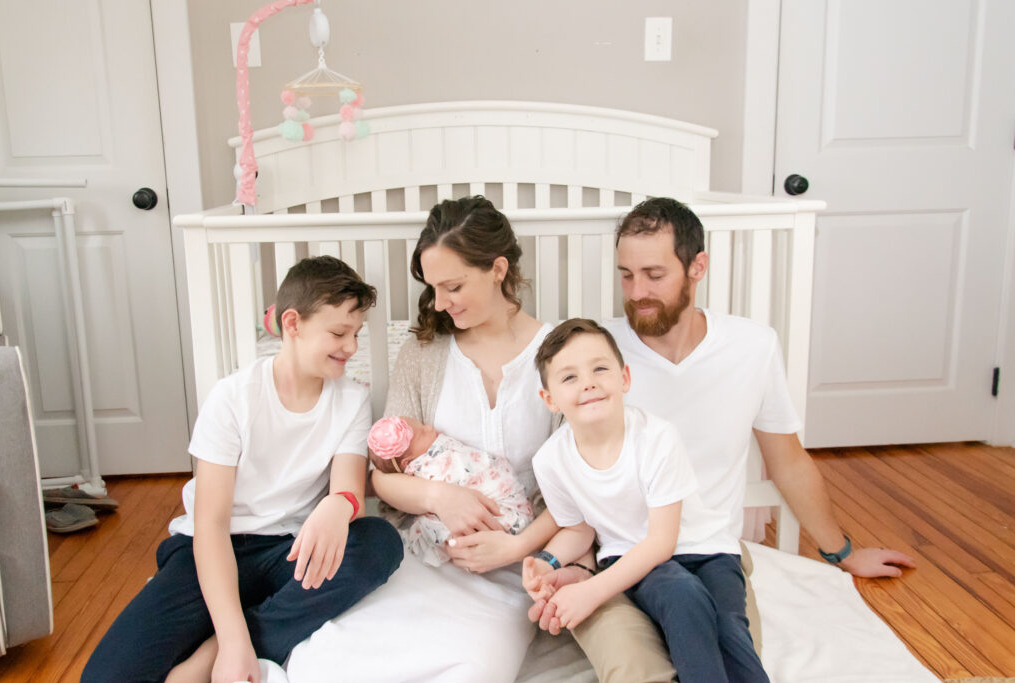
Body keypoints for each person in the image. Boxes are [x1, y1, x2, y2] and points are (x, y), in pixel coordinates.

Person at [526, 197, 917, 682]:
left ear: (697, 267)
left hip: (710, 551)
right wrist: (559, 564)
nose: (637, 291)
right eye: (626, 275)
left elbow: (788, 462)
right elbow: (583, 486)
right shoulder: (595, 355)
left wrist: (841, 552)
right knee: (639, 673)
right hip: (614, 559)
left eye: (654, 274)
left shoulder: (752, 346)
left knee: (728, 655)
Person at [285, 196, 570, 683]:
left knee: (469, 670)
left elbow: (579, 490)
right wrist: (442, 497)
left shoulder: (561, 351)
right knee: (329, 661)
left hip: (513, 569)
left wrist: (516, 548)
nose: (440, 303)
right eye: (433, 288)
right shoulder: (423, 354)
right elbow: (383, 478)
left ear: (498, 268)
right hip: (425, 551)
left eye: (453, 285)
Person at [81, 256, 403, 683]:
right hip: (216, 546)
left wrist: (340, 505)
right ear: (293, 323)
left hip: (292, 548)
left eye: (356, 334)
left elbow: (346, 489)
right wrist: (235, 643)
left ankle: (210, 655)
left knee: (379, 542)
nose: (351, 348)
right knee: (105, 678)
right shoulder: (232, 398)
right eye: (339, 333)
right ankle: (237, 635)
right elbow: (210, 525)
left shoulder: (351, 400)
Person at [526, 318, 767, 682]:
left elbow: (662, 541)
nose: (588, 382)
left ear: (624, 378)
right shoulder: (550, 461)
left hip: (707, 548)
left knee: (730, 628)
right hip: (628, 555)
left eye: (600, 369)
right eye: (569, 377)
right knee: (681, 594)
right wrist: (547, 561)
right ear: (549, 399)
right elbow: (578, 530)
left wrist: (591, 592)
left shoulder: (656, 438)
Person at [367, 415, 534, 566]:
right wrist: (438, 497)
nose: (429, 427)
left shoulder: (445, 452)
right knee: (428, 526)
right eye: (422, 433)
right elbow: (376, 478)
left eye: (423, 425)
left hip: (512, 512)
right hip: (483, 528)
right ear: (407, 463)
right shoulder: (426, 469)